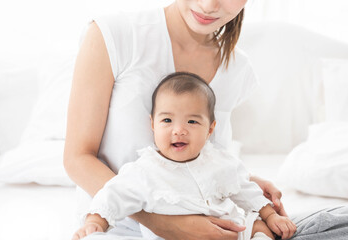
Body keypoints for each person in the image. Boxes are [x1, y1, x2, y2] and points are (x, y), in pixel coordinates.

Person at [64, 0, 348, 239]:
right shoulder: (115, 35)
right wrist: (164, 223)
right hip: (118, 229)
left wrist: (245, 181)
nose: (208, 5)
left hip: (213, 228)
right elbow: (77, 158)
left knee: (342, 223)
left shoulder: (237, 68)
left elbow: (202, 159)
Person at [72, 72, 296, 240]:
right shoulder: (144, 170)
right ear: (152, 124)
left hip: (230, 230)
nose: (178, 130)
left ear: (210, 129)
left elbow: (246, 189)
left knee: (258, 228)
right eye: (167, 120)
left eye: (192, 121)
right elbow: (113, 195)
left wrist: (270, 216)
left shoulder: (219, 160)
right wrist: (94, 222)